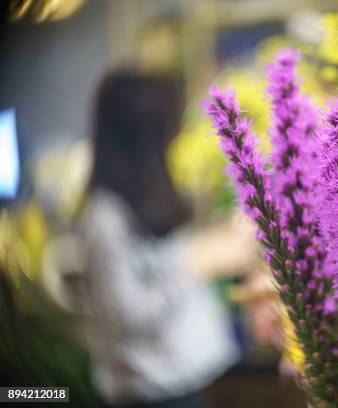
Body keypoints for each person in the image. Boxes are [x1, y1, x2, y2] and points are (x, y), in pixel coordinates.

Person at [78, 71, 239, 407]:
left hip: (186, 382)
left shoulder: (146, 196)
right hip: (154, 395)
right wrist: (193, 264)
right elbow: (127, 315)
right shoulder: (105, 217)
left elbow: (164, 258)